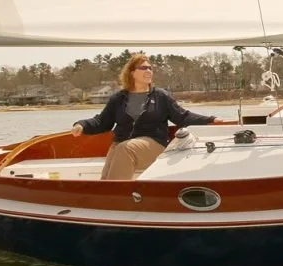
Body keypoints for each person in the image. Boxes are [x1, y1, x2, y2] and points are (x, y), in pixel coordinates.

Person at [71, 53, 223, 180]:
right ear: (131, 72)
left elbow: (183, 117)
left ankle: (117, 197)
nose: (149, 71)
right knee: (112, 162)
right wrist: (82, 125)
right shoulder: (118, 98)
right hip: (121, 146)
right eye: (143, 68)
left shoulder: (160, 96)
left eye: (150, 68)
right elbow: (102, 122)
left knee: (124, 149)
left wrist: (209, 120)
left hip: (154, 144)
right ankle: (105, 200)